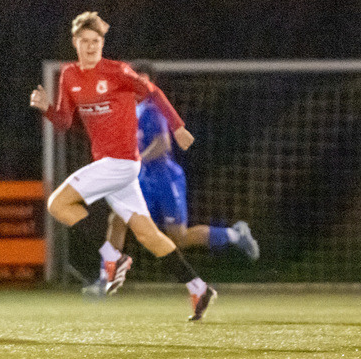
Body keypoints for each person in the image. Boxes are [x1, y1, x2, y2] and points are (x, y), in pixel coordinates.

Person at [30, 11, 217, 320]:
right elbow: (64, 121)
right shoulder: (69, 75)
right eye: (85, 42)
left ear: (102, 43)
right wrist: (47, 108)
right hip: (111, 166)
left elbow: (153, 92)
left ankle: (111, 258)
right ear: (75, 43)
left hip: (121, 164)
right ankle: (198, 287)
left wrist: (178, 126)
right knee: (148, 235)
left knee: (56, 204)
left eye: (97, 41)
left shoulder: (117, 72)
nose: (91, 47)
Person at [85, 64, 258, 297]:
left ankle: (235, 235)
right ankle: (105, 280)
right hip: (144, 180)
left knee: (180, 237)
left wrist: (135, 161)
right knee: (117, 218)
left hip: (165, 180)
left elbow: (162, 145)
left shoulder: (153, 110)